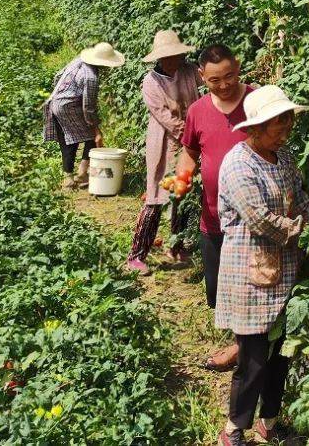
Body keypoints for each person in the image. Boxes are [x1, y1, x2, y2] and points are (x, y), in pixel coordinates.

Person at [215, 85, 309, 446]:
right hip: (250, 276)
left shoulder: (285, 157)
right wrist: (304, 230)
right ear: (255, 128)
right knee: (254, 360)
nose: (285, 133)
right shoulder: (238, 164)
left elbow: (302, 201)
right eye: (279, 126)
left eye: (288, 124)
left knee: (280, 355)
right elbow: (261, 220)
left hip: (285, 272)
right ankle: (233, 429)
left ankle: (269, 422)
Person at [177, 44, 255, 371]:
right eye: (214, 80)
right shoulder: (197, 111)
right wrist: (181, 178)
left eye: (229, 76)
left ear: (238, 67)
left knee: (248, 289)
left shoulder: (256, 101)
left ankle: (241, 349)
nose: (223, 85)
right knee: (216, 289)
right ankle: (239, 342)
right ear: (201, 76)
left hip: (251, 222)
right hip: (212, 219)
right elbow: (190, 151)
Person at [126, 30, 201, 275]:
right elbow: (167, 119)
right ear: (158, 58)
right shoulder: (151, 82)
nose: (173, 60)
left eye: (176, 55)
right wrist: (195, 138)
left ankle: (176, 247)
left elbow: (211, 81)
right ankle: (136, 255)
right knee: (156, 198)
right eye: (167, 57)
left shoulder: (190, 71)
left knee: (183, 195)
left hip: (189, 144)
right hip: (164, 144)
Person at [43, 42, 125, 188]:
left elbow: (57, 77)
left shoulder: (79, 60)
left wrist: (61, 95)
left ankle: (68, 177)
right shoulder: (91, 77)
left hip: (54, 101)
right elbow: (88, 107)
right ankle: (81, 175)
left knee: (67, 141)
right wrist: (96, 130)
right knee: (93, 137)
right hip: (69, 107)